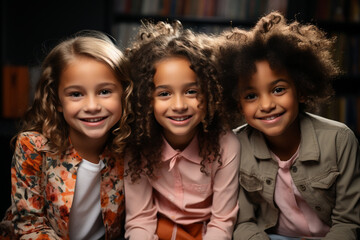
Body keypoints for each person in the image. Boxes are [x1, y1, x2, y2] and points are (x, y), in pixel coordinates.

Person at [217, 11, 360, 240]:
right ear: (237, 102)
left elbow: (349, 223)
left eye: (278, 89)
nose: (266, 105)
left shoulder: (340, 140)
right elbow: (243, 223)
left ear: (301, 89)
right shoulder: (234, 146)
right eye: (251, 96)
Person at [0, 30, 133, 240]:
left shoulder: (130, 148)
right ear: (57, 100)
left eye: (104, 91)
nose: (92, 106)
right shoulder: (33, 146)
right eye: (76, 94)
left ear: (124, 93)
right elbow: (29, 226)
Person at [124, 20, 240, 240]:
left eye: (191, 91)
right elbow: (140, 219)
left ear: (209, 92)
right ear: (145, 99)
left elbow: (222, 221)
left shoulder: (226, 145)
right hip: (160, 230)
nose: (179, 105)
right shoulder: (138, 144)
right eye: (164, 94)